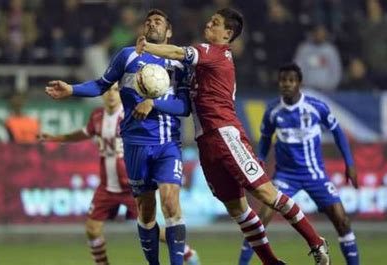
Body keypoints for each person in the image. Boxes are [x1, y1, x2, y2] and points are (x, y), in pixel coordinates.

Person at [136, 7, 330, 265]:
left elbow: (176, 52)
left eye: (215, 23)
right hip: (205, 142)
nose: (208, 24)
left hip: (225, 135)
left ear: (227, 34)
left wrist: (146, 47)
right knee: (238, 210)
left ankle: (316, 242)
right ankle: (271, 262)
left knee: (266, 194)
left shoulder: (214, 53)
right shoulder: (202, 62)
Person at [45, 9, 197, 265]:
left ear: (169, 32)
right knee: (147, 213)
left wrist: (153, 103)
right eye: (148, 21)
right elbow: (101, 85)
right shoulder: (127, 56)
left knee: (171, 203)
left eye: (158, 21)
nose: (152, 24)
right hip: (135, 144)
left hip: (167, 144)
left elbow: (184, 107)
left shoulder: (179, 63)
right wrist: (71, 89)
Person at [39, 84, 200, 265]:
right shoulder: (97, 117)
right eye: (108, 90)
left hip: (130, 185)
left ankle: (186, 252)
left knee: (150, 225)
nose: (111, 95)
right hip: (107, 187)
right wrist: (57, 138)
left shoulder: (131, 114)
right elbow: (84, 133)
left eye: (115, 90)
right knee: (92, 229)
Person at [238, 63, 360, 265]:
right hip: (285, 177)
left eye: (291, 80)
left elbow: (338, 132)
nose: (286, 84)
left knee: (342, 220)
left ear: (299, 83)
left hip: (315, 175)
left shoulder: (316, 107)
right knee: (260, 221)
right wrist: (259, 160)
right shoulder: (272, 112)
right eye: (283, 80)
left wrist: (349, 163)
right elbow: (265, 139)